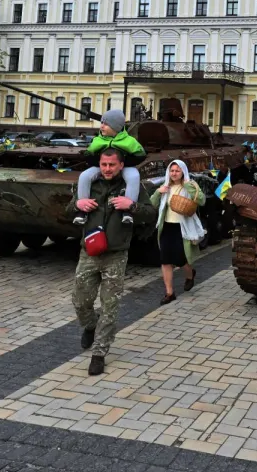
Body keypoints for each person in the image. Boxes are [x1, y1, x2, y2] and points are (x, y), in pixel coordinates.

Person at [71, 147, 154, 376]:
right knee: (80, 301)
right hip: (89, 253)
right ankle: (90, 325)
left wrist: (132, 206)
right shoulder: (90, 184)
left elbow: (151, 213)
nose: (107, 169)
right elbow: (71, 207)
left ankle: (99, 353)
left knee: (110, 306)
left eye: (112, 165)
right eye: (104, 164)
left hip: (116, 256)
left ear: (121, 165)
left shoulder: (131, 187)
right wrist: (77, 205)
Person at [149, 159, 207, 304]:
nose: (174, 173)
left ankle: (190, 274)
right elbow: (152, 204)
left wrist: (189, 187)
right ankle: (170, 293)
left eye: (177, 171)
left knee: (181, 258)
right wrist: (158, 192)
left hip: (182, 227)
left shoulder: (190, 185)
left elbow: (202, 200)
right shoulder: (166, 186)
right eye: (172, 170)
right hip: (166, 227)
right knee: (165, 260)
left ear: (183, 172)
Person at [75, 109, 145, 215]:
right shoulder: (98, 140)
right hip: (101, 166)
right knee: (84, 176)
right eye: (102, 123)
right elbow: (88, 154)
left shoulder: (129, 141)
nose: (102, 126)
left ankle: (128, 209)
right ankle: (83, 208)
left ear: (116, 127)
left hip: (125, 166)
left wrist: (123, 163)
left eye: (106, 124)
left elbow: (140, 155)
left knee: (134, 177)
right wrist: (98, 161)